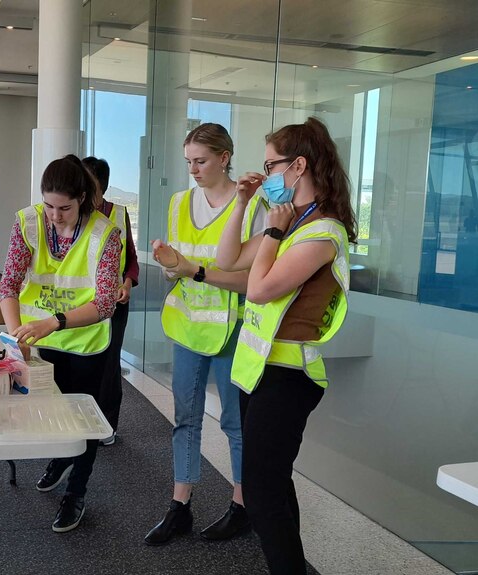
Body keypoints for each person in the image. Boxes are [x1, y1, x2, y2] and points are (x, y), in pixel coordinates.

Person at [216, 117, 356, 574]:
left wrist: (273, 234)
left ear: (298, 166)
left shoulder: (322, 232)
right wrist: (242, 203)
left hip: (289, 376)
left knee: (260, 493)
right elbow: (229, 258)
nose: (265, 175)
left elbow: (257, 290)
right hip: (258, 370)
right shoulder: (293, 221)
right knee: (271, 485)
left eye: (271, 165)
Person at [145, 123, 267, 546]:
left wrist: (191, 269)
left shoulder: (252, 206)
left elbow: (254, 280)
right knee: (186, 419)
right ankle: (180, 506)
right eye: (188, 162)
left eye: (201, 161)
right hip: (187, 325)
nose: (193, 169)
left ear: (224, 157)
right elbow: (175, 270)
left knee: (235, 422)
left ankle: (242, 506)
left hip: (231, 330)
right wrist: (168, 264)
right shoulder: (180, 203)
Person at [0, 154, 122, 533]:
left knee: (83, 417)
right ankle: (61, 457)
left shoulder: (106, 233)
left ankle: (76, 491)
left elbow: (104, 302)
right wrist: (15, 334)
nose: (54, 215)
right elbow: (9, 285)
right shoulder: (28, 222)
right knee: (53, 413)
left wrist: (54, 322)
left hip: (85, 340)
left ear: (83, 198)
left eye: (64, 207)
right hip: (41, 336)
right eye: (48, 205)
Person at [81, 156, 139, 446]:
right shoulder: (72, 213)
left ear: (100, 186)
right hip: (80, 304)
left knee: (109, 362)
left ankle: (107, 424)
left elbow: (131, 259)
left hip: (114, 303)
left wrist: (128, 282)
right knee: (80, 360)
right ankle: (79, 419)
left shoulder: (118, 213)